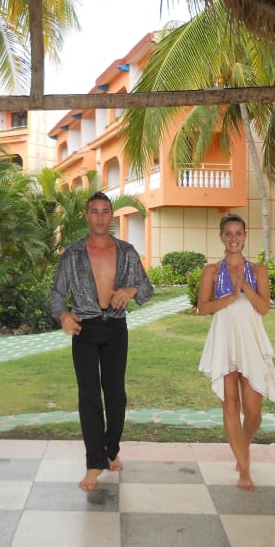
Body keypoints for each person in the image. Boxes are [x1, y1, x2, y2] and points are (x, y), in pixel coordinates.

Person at [50, 191, 154, 491]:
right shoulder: (72, 254)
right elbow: (57, 294)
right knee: (89, 397)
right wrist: (63, 316)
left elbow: (147, 289)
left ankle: (111, 449)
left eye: (104, 211)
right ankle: (95, 463)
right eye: (93, 211)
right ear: (87, 216)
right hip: (84, 328)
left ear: (111, 215)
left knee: (116, 395)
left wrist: (132, 290)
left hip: (116, 328)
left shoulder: (127, 251)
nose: (99, 216)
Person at [196, 213, 275, 490]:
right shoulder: (211, 271)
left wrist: (243, 287)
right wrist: (229, 298)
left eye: (238, 233)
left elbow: (264, 308)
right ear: (221, 236)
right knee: (231, 404)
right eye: (228, 233)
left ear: (245, 236)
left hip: (250, 338)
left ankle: (241, 445)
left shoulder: (258, 271)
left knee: (253, 411)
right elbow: (203, 307)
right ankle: (244, 469)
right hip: (224, 337)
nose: (233, 238)